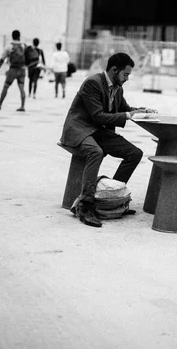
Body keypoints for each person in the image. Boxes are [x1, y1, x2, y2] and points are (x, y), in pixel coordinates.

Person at [59, 52, 157, 228]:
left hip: (97, 131)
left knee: (134, 154)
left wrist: (142, 111)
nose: (127, 78)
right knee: (95, 152)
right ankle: (86, 206)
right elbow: (97, 116)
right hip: (79, 129)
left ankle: (112, 198)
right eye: (125, 74)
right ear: (114, 70)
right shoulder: (92, 83)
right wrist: (128, 115)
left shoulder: (118, 88)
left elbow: (125, 109)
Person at [0, 30, 27, 112]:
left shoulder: (9, 47)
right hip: (22, 70)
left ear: (12, 36)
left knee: (6, 87)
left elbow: (2, 59)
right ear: (19, 36)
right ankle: (22, 106)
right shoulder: (23, 46)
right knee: (22, 88)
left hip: (13, 70)